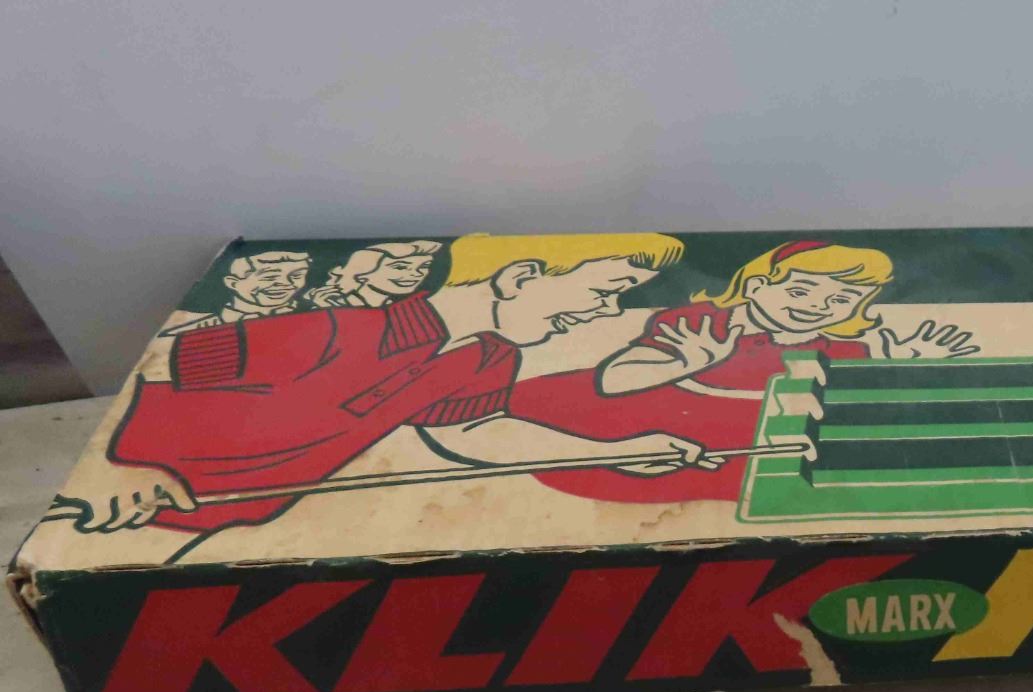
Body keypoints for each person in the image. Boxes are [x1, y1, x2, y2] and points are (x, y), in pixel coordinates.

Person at [59, 232, 712, 559]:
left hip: (227, 523)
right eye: (604, 293)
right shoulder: (335, 330)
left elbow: (476, 432)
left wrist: (617, 449)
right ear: (517, 278)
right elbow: (163, 363)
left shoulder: (489, 356)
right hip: (126, 508)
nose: (603, 313)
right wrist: (117, 468)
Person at [507, 239, 977, 504]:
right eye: (800, 291)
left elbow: (858, 404)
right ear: (755, 285)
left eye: (839, 300)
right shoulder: (702, 325)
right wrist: (687, 362)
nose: (817, 307)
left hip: (746, 448)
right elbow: (613, 381)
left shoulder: (839, 346)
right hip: (652, 432)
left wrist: (906, 365)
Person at [164, 250, 311, 332]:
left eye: (296, 276)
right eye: (269, 276)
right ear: (233, 283)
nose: (286, 284)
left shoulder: (311, 323)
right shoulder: (188, 333)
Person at [303, 240, 442, 309]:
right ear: (363, 273)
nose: (416, 274)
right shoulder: (335, 305)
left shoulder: (399, 309)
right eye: (400, 267)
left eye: (424, 266)